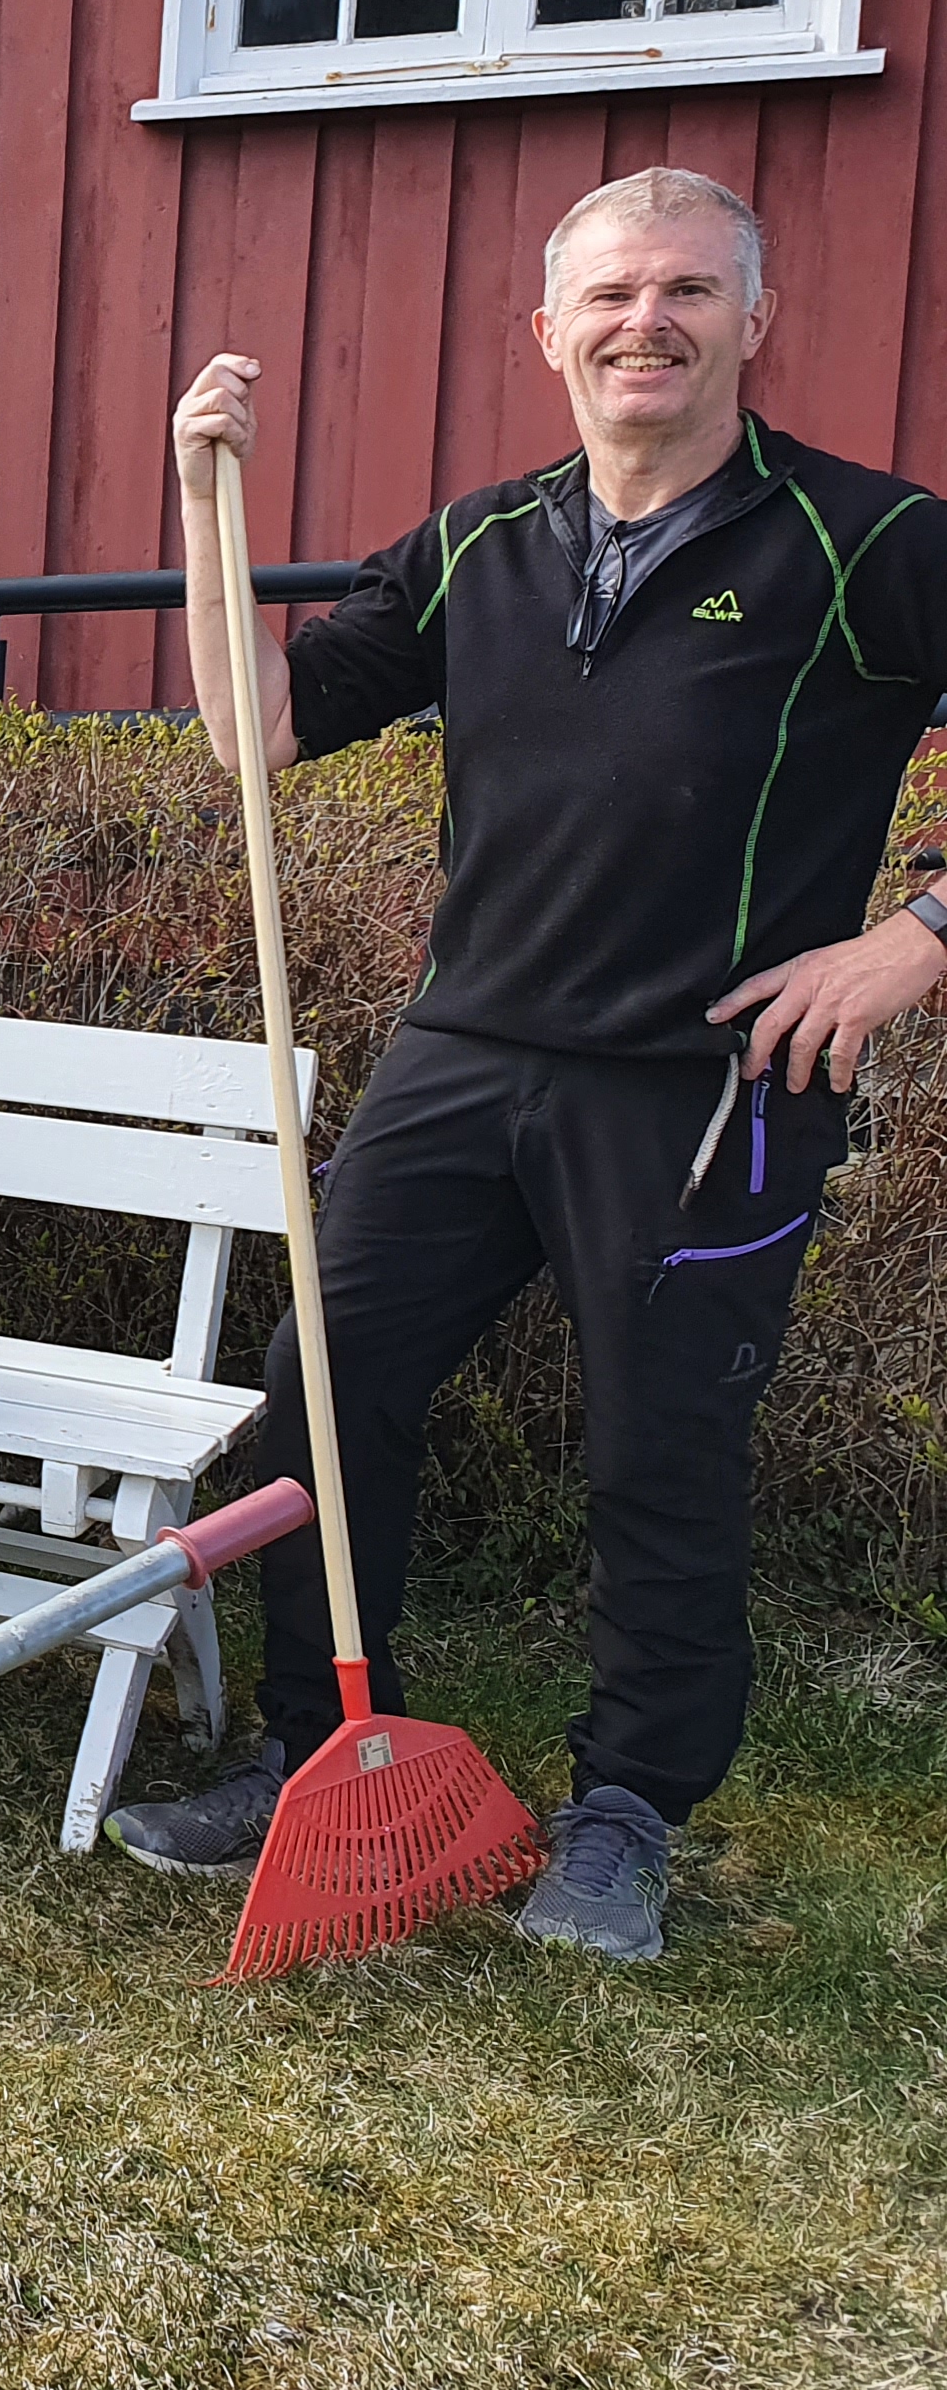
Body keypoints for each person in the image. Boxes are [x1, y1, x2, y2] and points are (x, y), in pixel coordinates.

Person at [115, 167, 947, 1962]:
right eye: (609, 294)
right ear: (546, 331)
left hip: (702, 1082)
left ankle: (625, 1808)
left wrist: (910, 940)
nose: (643, 321)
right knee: (318, 1380)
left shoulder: (865, 539)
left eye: (684, 290)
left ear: (751, 319)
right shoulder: (482, 541)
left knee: (664, 1444)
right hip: (463, 1049)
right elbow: (253, 734)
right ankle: (319, 1733)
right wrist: (200, 507)